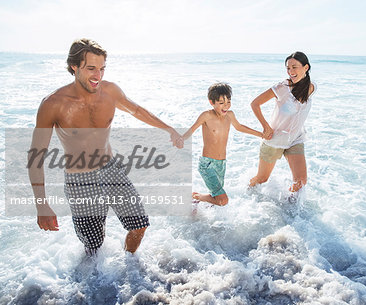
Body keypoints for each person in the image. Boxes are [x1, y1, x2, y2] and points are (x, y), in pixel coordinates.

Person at [28, 38, 183, 255]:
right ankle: (95, 283)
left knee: (139, 225)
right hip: (80, 181)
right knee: (94, 245)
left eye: (102, 69)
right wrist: (41, 204)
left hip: (111, 170)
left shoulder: (110, 91)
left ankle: (129, 268)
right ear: (74, 66)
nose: (98, 76)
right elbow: (36, 156)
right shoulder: (53, 104)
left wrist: (170, 129)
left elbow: (137, 111)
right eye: (91, 68)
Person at [248, 52, 316, 203]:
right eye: (288, 68)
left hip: (295, 139)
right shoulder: (281, 87)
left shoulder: (311, 88)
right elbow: (255, 103)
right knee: (262, 179)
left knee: (300, 182)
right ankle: (247, 196)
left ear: (306, 68)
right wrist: (266, 127)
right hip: (275, 140)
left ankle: (289, 209)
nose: (291, 72)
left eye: (294, 67)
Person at [181, 83, 263, 206]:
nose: (226, 106)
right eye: (221, 103)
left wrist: (260, 134)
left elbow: (239, 127)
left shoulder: (230, 115)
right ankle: (196, 196)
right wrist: (180, 139)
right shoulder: (206, 116)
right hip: (207, 164)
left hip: (221, 164)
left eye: (228, 102)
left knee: (217, 198)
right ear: (212, 102)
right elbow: (191, 130)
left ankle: (197, 205)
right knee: (223, 200)